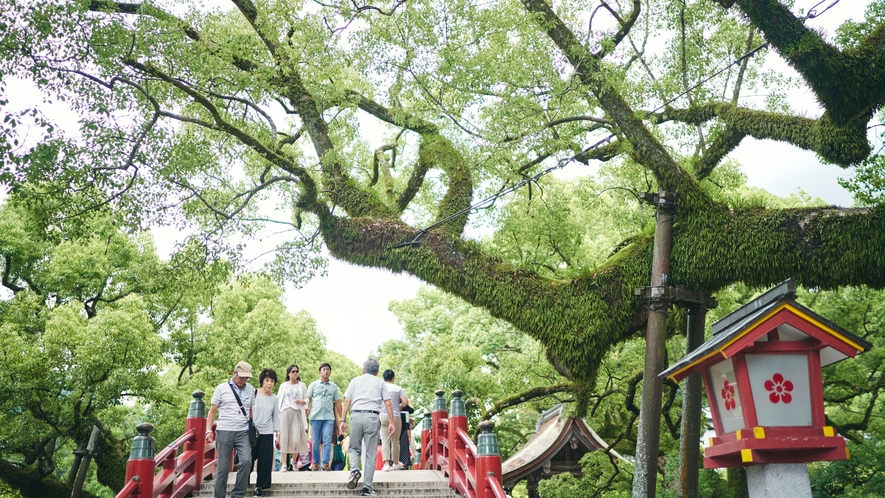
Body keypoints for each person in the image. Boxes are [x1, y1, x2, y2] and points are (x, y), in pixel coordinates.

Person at [339, 358, 396, 497]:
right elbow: (388, 403)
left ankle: (354, 470)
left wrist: (342, 420)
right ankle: (367, 488)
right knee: (370, 454)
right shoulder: (380, 382)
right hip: (372, 416)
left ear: (363, 370)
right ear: (377, 372)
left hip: (356, 415)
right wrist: (392, 422)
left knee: (354, 448)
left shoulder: (355, 380)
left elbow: (347, 400)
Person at [206, 361, 256, 498]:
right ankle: (219, 496)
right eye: (241, 377)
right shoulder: (221, 388)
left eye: (246, 378)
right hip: (224, 431)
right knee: (222, 467)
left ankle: (238, 494)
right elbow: (212, 411)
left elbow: (251, 411)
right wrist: (208, 430)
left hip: (243, 431)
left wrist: (254, 427)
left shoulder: (251, 389)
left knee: (246, 461)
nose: (243, 380)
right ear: (234, 373)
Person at [306, 362, 342, 471]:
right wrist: (304, 417)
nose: (326, 371)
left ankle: (326, 463)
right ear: (319, 372)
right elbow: (308, 401)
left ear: (330, 372)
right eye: (323, 369)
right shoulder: (313, 385)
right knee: (315, 441)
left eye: (328, 370)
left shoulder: (334, 387)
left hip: (329, 417)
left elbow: (338, 403)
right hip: (315, 417)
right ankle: (316, 463)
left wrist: (342, 419)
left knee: (327, 441)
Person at [252, 368, 280, 496]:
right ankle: (243, 482)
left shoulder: (274, 398)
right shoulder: (253, 393)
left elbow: (276, 417)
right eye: (267, 380)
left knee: (265, 460)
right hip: (252, 430)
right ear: (262, 381)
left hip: (267, 431)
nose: (269, 383)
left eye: (272, 381)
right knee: (248, 458)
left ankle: (260, 486)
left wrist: (277, 434)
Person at [277, 364, 309, 471]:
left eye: (296, 371)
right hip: (285, 412)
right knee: (284, 437)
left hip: (297, 412)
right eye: (293, 371)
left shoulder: (302, 385)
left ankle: (294, 460)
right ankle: (284, 464)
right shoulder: (283, 386)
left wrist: (302, 402)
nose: (295, 373)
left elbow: (307, 399)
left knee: (296, 438)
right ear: (288, 373)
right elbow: (278, 400)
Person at [379, 369, 409, 471]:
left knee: (385, 440)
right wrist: (399, 405)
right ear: (393, 378)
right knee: (395, 441)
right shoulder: (398, 388)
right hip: (395, 416)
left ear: (383, 378)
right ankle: (395, 462)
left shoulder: (380, 388)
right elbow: (405, 401)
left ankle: (386, 464)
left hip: (383, 416)